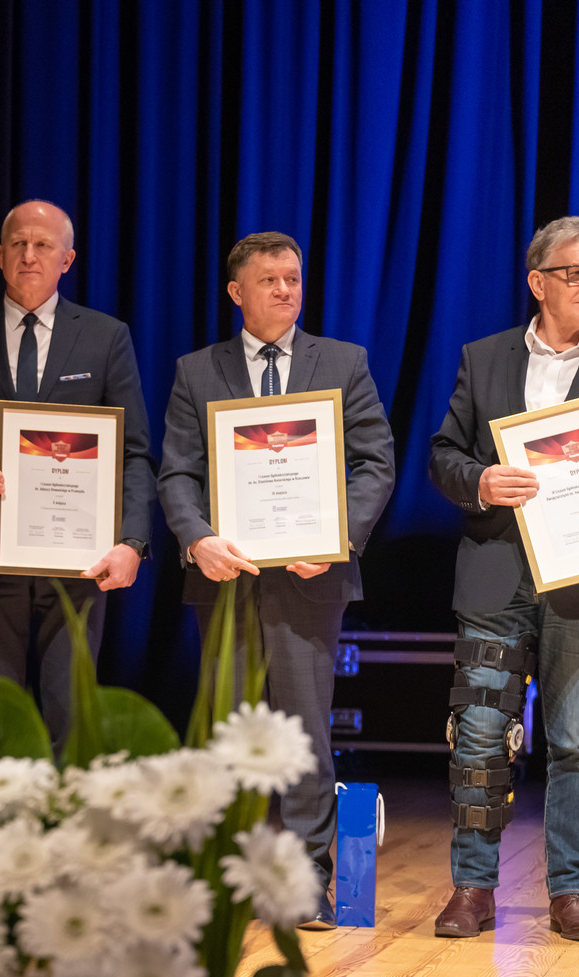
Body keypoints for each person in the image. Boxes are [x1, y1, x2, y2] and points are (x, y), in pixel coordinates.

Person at [158, 231, 395, 929]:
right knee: (229, 734)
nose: (286, 290)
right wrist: (196, 538)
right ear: (237, 292)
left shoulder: (343, 362)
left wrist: (339, 539)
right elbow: (177, 473)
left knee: (304, 734)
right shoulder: (197, 371)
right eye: (270, 280)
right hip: (224, 578)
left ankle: (304, 881)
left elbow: (376, 463)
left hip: (311, 580)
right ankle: (228, 880)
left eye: (293, 278)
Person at [0, 200, 156, 752]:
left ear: (67, 259)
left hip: (80, 559)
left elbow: (135, 452)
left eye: (43, 245)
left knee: (72, 721)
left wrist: (133, 542)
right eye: (18, 244)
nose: (29, 255)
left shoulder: (106, 338)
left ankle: (65, 812)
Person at [428, 216, 579, 940]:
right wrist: (480, 480)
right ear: (538, 282)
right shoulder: (485, 356)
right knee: (479, 731)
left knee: (576, 741)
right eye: (578, 272)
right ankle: (472, 887)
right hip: (497, 571)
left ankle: (571, 891)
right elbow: (443, 455)